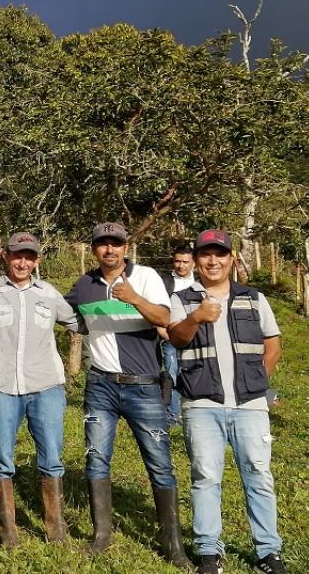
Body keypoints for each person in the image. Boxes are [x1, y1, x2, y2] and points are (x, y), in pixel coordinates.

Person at [65, 222, 191, 567]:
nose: (110, 250)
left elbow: (165, 318)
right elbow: (63, 312)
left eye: (116, 244)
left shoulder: (148, 276)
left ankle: (173, 545)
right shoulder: (84, 284)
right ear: (94, 250)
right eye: (103, 244)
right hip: (100, 386)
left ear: (126, 247)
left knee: (160, 464)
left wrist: (134, 298)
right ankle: (101, 535)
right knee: (95, 458)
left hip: (144, 386)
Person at [167, 230, 286, 574]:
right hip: (202, 405)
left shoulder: (254, 298)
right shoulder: (184, 299)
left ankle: (268, 551)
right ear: (196, 260)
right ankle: (208, 551)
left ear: (232, 258)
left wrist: (255, 382)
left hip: (250, 406)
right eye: (206, 254)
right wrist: (197, 317)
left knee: (259, 475)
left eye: (220, 254)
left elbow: (273, 344)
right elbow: (176, 338)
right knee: (205, 477)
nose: (213, 261)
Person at [0, 232, 79, 548]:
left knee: (52, 459)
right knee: (1, 459)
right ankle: (9, 533)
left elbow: (75, 321)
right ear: (7, 258)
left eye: (29, 256)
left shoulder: (49, 293)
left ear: (37, 260)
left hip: (46, 386)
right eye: (17, 255)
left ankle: (56, 531)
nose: (22, 262)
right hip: (3, 386)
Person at [158, 244, 195, 425]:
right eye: (178, 261)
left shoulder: (201, 281)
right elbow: (155, 306)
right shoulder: (163, 281)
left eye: (185, 262)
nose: (181, 266)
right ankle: (173, 415)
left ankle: (191, 414)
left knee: (194, 374)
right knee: (172, 374)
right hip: (171, 337)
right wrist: (161, 330)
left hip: (197, 337)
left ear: (193, 262)